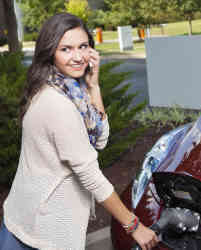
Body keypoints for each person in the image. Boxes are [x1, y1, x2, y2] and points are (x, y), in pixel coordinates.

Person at [0, 13, 158, 250]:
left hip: (26, 220)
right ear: (50, 52)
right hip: (42, 234)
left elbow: (101, 139)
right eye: (66, 49)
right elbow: (92, 177)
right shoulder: (58, 104)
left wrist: (94, 86)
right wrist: (134, 226)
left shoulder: (70, 90)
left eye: (83, 46)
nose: (78, 57)